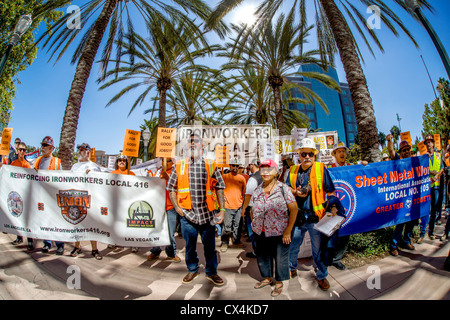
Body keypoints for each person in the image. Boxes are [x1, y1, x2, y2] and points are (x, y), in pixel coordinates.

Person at [167, 133, 226, 286]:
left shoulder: (211, 164)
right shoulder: (179, 165)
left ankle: (212, 272)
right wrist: (177, 208)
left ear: (202, 146)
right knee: (190, 246)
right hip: (187, 215)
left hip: (207, 215)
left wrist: (222, 210)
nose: (193, 144)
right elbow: (171, 188)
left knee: (210, 247)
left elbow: (220, 186)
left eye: (196, 141)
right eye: (190, 142)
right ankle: (192, 269)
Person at [286, 137, 339, 291]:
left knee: (318, 249)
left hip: (316, 217)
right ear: (299, 155)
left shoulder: (321, 169)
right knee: (293, 245)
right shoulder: (293, 170)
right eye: (304, 154)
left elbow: (331, 191)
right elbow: (286, 188)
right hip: (298, 216)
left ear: (314, 156)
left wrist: (334, 206)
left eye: (310, 154)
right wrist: (296, 192)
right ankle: (291, 268)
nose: (307, 157)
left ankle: (322, 276)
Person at [249, 159, 298, 297]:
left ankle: (279, 282)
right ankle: (267, 277)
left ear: (276, 172)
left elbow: (294, 209)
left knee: (280, 258)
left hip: (280, 232)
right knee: (263, 256)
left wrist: (288, 230)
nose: (265, 172)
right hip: (260, 231)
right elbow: (252, 209)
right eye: (263, 169)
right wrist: (254, 224)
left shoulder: (283, 189)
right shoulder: (257, 190)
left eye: (269, 169)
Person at [69, 143, 103, 260]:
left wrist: (92, 174)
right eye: (79, 149)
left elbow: (100, 182)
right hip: (76, 198)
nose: (80, 152)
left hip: (89, 200)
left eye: (82, 150)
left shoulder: (93, 166)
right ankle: (77, 247)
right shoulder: (74, 166)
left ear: (88, 152)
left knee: (91, 225)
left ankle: (94, 249)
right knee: (76, 224)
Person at [34, 136, 64, 255]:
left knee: (56, 220)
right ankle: (47, 243)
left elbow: (62, 178)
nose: (43, 148)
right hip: (41, 195)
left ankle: (60, 245)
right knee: (45, 220)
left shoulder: (57, 161)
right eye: (42, 145)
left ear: (51, 148)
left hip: (53, 195)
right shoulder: (38, 160)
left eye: (45, 146)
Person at [386, 134, 416, 255]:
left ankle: (406, 241)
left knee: (411, 220)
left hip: (412, 195)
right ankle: (394, 246)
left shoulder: (414, 162)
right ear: (401, 152)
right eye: (404, 150)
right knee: (401, 221)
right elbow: (391, 151)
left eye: (408, 150)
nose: (407, 152)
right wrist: (389, 141)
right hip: (401, 197)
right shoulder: (398, 160)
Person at [147, 158, 181, 263]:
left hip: (171, 207)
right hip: (158, 207)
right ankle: (155, 251)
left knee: (170, 233)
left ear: (173, 162)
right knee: (156, 230)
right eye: (163, 160)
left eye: (169, 160)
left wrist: (169, 178)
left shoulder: (177, 173)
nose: (166, 162)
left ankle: (171, 253)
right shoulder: (157, 172)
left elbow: (179, 186)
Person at [418, 134, 445, 243]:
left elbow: (442, 168)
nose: (428, 144)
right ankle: (422, 233)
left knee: (434, 210)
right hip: (426, 187)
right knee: (425, 210)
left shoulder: (438, 155)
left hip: (436, 186)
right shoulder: (423, 157)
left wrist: (436, 175)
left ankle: (431, 232)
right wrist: (430, 173)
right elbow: (420, 170)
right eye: (427, 142)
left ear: (433, 143)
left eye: (430, 142)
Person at [10, 141, 34, 251]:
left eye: (24, 150)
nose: (22, 152)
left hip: (25, 195)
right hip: (16, 196)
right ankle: (19, 238)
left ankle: (30, 241)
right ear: (17, 150)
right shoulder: (13, 164)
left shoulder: (27, 165)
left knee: (27, 219)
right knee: (17, 217)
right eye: (20, 149)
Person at [109, 154, 136, 252]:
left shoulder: (131, 174)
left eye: (124, 160)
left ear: (127, 163)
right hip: (116, 202)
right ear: (116, 162)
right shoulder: (112, 173)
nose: (122, 162)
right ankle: (116, 242)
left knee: (130, 223)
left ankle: (133, 243)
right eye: (120, 160)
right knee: (116, 224)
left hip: (128, 201)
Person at [220, 158, 247, 252]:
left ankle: (236, 241)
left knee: (237, 225)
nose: (235, 167)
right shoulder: (224, 177)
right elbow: (219, 189)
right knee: (227, 226)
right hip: (227, 206)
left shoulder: (241, 178)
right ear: (230, 166)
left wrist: (242, 204)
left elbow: (244, 192)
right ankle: (224, 242)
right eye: (233, 165)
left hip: (238, 206)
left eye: (237, 166)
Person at [241, 159, 262, 258]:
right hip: (264, 208)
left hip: (253, 209)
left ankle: (257, 252)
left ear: (253, 165)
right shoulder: (264, 176)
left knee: (253, 232)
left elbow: (248, 196)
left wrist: (244, 209)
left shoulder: (253, 179)